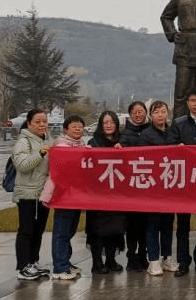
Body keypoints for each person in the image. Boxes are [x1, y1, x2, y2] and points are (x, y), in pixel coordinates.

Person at [171, 87, 196, 276]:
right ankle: (183, 262)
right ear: (187, 103)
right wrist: (177, 148)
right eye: (193, 100)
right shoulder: (178, 124)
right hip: (185, 180)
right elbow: (170, 148)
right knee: (183, 224)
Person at [12, 109, 54, 281]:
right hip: (28, 194)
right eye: (37, 122)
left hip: (43, 194)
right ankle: (22, 267)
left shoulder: (49, 140)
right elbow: (22, 165)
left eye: (44, 121)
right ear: (29, 124)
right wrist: (40, 153)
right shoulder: (24, 142)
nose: (42, 125)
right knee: (26, 231)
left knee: (38, 231)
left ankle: (32, 262)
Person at [86, 110, 127, 274]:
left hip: (117, 193)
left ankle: (111, 259)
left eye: (112, 122)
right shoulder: (93, 142)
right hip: (98, 194)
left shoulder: (122, 141)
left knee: (114, 228)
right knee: (97, 229)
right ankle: (97, 262)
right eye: (105, 123)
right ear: (101, 125)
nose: (109, 125)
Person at [140, 100, 177, 277]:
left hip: (170, 186)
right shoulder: (146, 135)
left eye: (163, 111)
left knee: (168, 224)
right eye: (156, 112)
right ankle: (153, 260)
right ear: (151, 115)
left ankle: (167, 257)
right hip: (152, 187)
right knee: (153, 224)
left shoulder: (173, 132)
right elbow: (141, 159)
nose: (160, 115)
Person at [49, 115, 87, 280]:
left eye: (80, 126)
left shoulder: (82, 145)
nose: (78, 129)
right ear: (66, 130)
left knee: (70, 230)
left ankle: (65, 262)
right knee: (61, 232)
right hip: (63, 195)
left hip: (76, 195)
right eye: (74, 126)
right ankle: (59, 267)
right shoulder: (60, 146)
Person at [119, 100, 150, 271]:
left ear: (146, 112)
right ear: (130, 115)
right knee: (131, 226)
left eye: (141, 111)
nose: (138, 115)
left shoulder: (152, 130)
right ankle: (131, 257)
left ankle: (143, 256)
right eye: (134, 112)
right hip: (130, 187)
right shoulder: (124, 133)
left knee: (145, 225)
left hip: (148, 185)